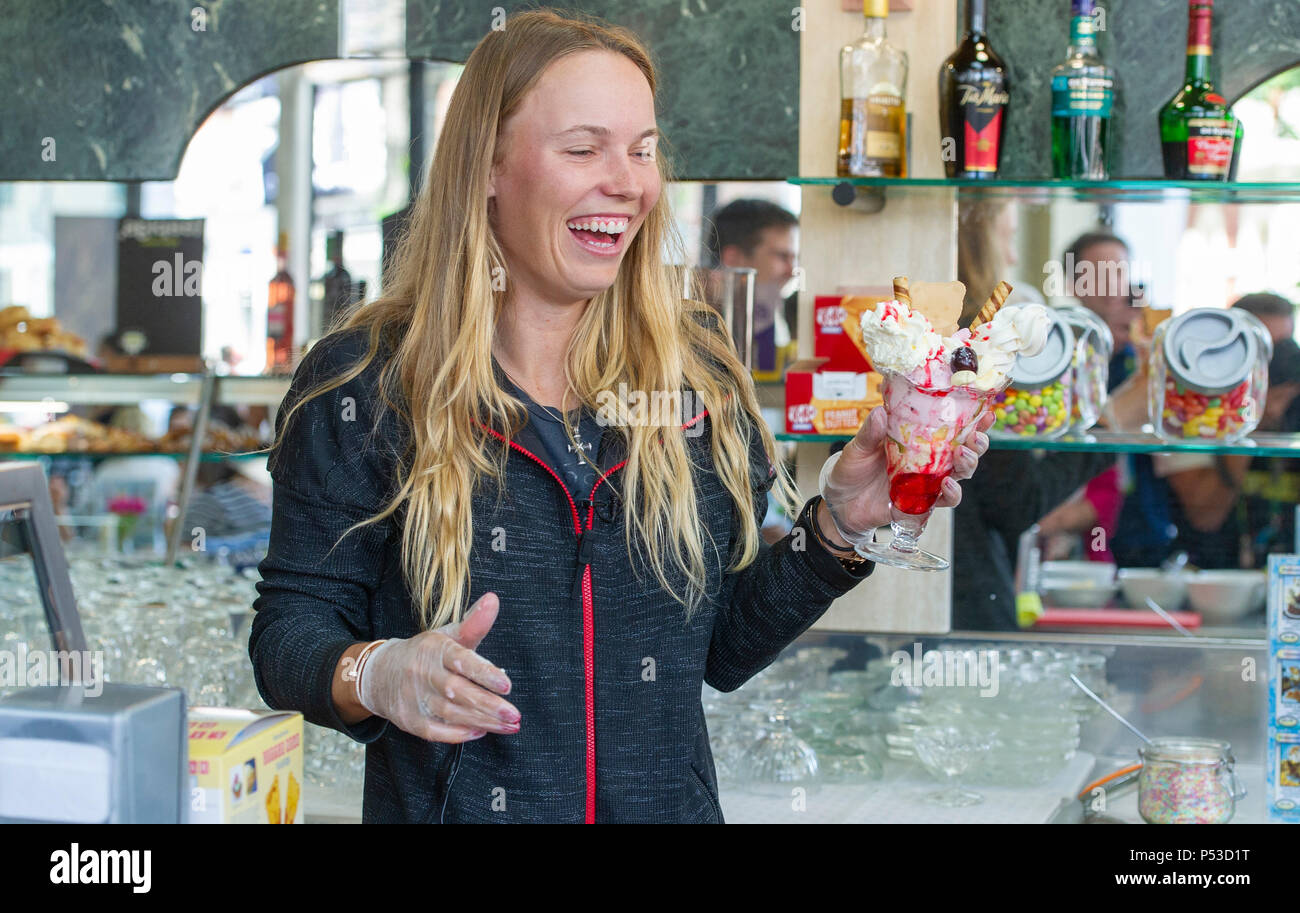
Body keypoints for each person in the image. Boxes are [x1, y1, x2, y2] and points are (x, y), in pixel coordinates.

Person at [249, 9, 993, 824]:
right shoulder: (368, 382)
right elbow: (290, 633)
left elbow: (719, 650)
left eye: (642, 150)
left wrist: (837, 531)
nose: (629, 181)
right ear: (487, 167)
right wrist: (377, 671)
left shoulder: (695, 369)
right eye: (583, 148)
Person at [950, 205, 1114, 631]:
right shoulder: (986, 348)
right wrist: (1105, 430)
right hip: (966, 603)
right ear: (975, 245)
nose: (1014, 256)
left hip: (918, 592)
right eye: (1007, 237)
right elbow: (1017, 502)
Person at [1154, 292, 1300, 569]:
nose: (1275, 362)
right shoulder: (1193, 410)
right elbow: (1206, 516)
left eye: (1283, 348)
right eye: (1261, 350)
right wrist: (1247, 420)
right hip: (1214, 577)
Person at [704, 198, 800, 544]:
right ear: (734, 259)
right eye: (781, 256)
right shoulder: (700, 331)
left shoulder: (765, 322)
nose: (791, 270)